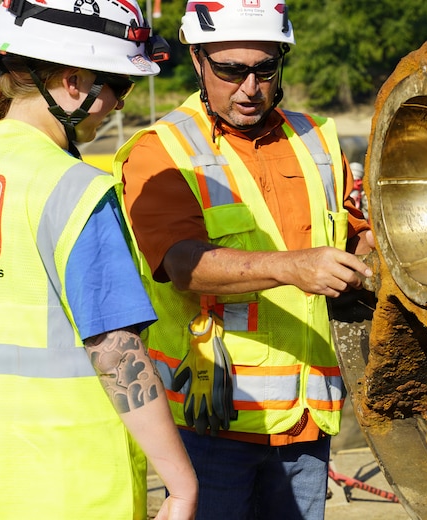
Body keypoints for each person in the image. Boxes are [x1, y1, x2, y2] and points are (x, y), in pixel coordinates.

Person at [0, 1, 197, 518]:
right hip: (74, 488)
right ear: (72, 81)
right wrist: (180, 487)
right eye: (119, 87)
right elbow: (116, 353)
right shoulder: (77, 191)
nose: (118, 105)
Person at [113, 1, 374, 518]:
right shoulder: (160, 150)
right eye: (231, 70)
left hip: (307, 420)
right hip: (210, 426)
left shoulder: (319, 138)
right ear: (197, 60)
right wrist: (294, 267)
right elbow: (182, 263)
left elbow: (357, 234)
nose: (250, 88)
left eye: (265, 69)